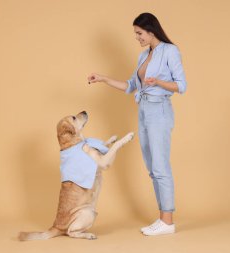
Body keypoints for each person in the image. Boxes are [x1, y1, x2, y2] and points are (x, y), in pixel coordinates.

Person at [87, 12, 187, 236]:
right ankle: (163, 218)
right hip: (143, 112)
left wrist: (158, 82)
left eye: (139, 33)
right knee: (152, 169)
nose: (137, 38)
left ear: (151, 31)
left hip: (159, 111)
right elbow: (130, 85)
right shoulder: (143, 56)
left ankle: (168, 221)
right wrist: (103, 78)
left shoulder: (170, 51)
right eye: (136, 34)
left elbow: (182, 86)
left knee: (161, 167)